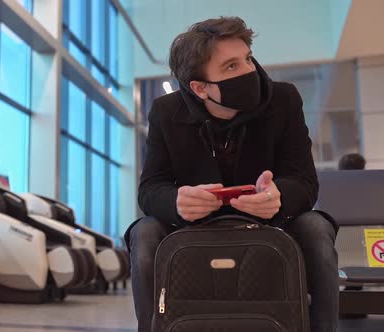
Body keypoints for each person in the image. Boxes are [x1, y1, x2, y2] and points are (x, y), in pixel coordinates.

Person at [125, 17, 338, 332]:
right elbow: (151, 188)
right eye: (231, 67)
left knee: (317, 228)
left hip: (270, 221)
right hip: (194, 224)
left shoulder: (284, 99)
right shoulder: (166, 112)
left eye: (248, 58)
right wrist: (176, 203)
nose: (249, 71)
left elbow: (304, 180)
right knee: (144, 233)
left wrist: (278, 196)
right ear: (199, 88)